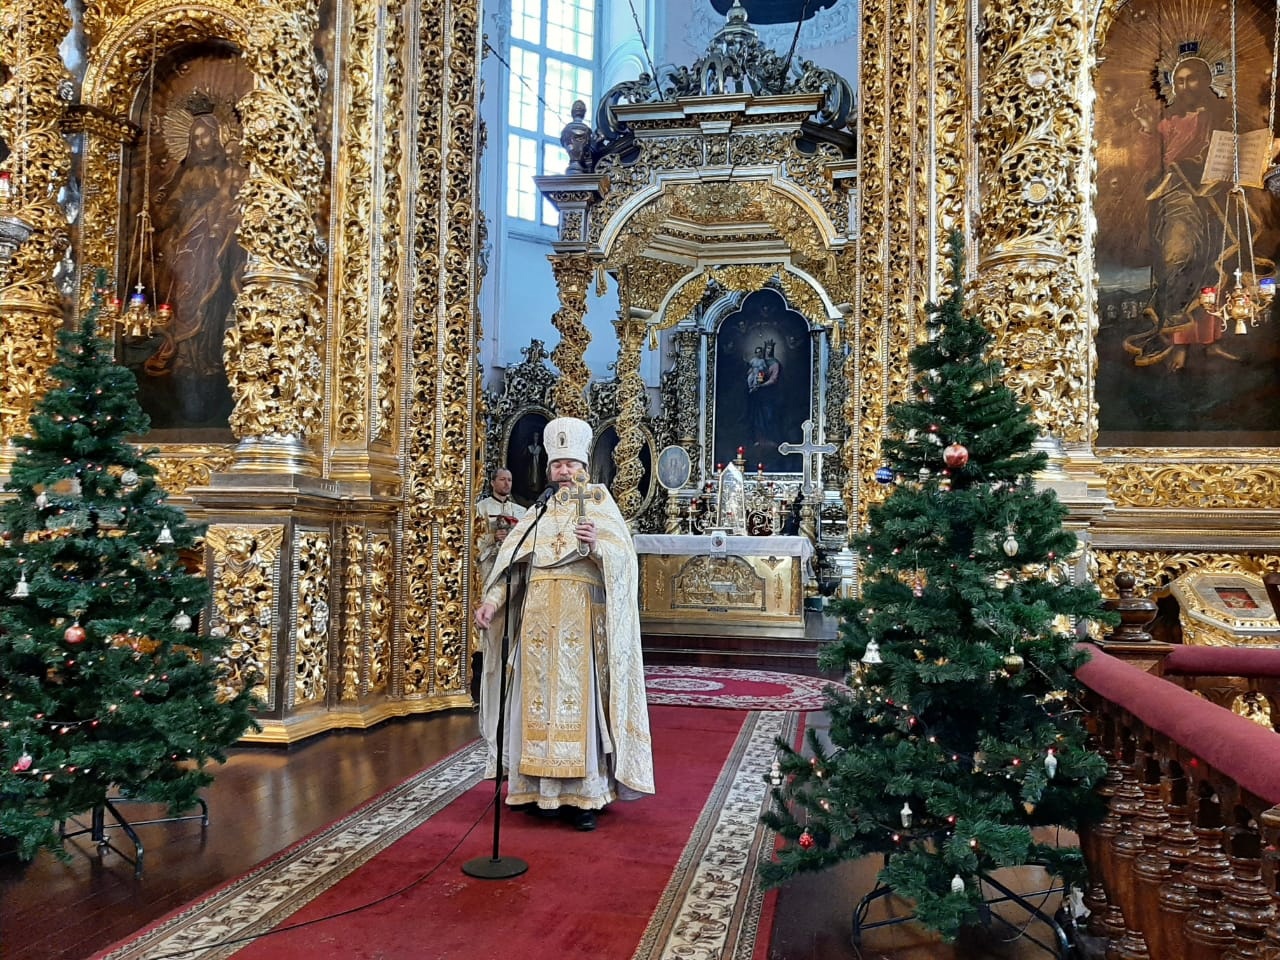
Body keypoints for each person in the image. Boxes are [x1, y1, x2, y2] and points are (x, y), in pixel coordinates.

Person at [473, 416, 654, 831]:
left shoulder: (600, 504)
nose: (564, 471)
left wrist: (597, 547)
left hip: (579, 628)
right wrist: (492, 603)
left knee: (578, 708)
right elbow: (515, 569)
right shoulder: (538, 512)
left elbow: (625, 562)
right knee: (533, 706)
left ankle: (583, 798)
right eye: (558, 464)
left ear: (584, 466)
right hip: (537, 625)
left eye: (571, 463)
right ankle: (535, 789)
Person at [1131, 55, 1238, 371]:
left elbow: (1230, 153)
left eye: (1192, 78)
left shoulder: (1220, 116)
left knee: (1212, 270)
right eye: (1179, 80)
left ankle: (1211, 341)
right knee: (1180, 261)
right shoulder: (1168, 121)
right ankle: (1178, 345)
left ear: (1206, 81)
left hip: (1213, 200)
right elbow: (1147, 164)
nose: (1185, 86)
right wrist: (1148, 129)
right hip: (1177, 197)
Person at [147, 112, 245, 384]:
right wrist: (155, 213)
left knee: (214, 298)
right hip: (191, 242)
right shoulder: (190, 173)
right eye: (196, 138)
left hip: (219, 244)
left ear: (217, 137)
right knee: (187, 293)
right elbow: (174, 206)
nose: (201, 143)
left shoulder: (230, 170)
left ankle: (209, 356)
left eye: (206, 136)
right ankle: (185, 356)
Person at [471, 468, 526, 704]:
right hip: (487, 572)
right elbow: (472, 542)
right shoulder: (481, 509)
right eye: (502, 479)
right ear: (493, 482)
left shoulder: (521, 512)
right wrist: (492, 539)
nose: (507, 483)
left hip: (512, 573)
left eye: (510, 479)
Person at [745, 340, 781, 445]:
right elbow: (754, 373)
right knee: (755, 416)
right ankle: (756, 438)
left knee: (767, 416)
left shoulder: (775, 363)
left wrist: (761, 385)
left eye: (770, 348)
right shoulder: (759, 361)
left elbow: (773, 379)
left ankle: (769, 438)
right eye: (767, 348)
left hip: (768, 393)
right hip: (757, 393)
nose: (768, 350)